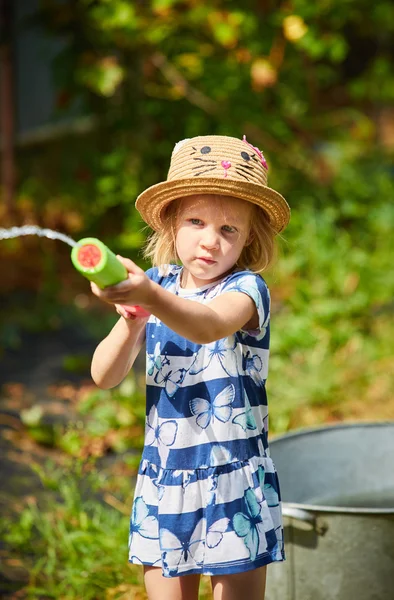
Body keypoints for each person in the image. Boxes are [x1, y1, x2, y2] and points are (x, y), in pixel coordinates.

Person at [90, 134, 290, 600]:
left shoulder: (247, 289)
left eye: (229, 230)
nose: (209, 241)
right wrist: (133, 319)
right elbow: (104, 375)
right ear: (170, 225)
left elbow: (208, 326)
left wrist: (150, 297)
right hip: (167, 479)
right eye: (196, 222)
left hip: (232, 479)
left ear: (249, 238)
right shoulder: (155, 286)